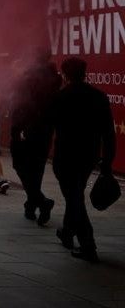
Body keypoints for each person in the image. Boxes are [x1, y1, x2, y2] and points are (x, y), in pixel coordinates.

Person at [51, 57, 114, 263]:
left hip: (66, 155)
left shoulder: (61, 97)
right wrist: (107, 162)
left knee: (74, 197)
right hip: (89, 155)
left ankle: (88, 245)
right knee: (75, 193)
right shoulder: (99, 97)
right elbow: (108, 133)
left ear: (65, 74)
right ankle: (68, 231)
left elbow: (50, 126)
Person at [10, 49, 61, 223]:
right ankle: (31, 205)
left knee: (20, 165)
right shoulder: (55, 77)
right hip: (45, 129)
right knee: (37, 169)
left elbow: (22, 102)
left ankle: (40, 201)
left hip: (27, 128)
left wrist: (18, 127)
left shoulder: (29, 77)